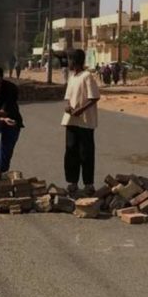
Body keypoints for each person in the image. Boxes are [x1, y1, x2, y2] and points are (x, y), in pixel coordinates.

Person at [62, 49, 100, 196]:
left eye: (70, 60)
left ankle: (88, 184)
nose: (68, 63)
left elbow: (94, 97)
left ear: (75, 61)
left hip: (85, 121)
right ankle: (72, 182)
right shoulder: (72, 77)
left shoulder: (87, 76)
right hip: (71, 120)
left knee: (86, 153)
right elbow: (69, 98)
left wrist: (81, 110)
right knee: (70, 151)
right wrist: (68, 107)